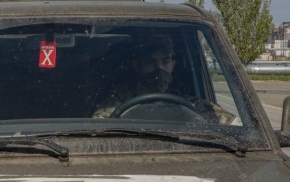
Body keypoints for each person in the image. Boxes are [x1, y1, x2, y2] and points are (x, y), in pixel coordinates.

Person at [93, 34, 237, 124]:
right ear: (137, 65)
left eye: (165, 61)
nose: (159, 69)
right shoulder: (117, 101)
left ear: (173, 65)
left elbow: (232, 125)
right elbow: (99, 129)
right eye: (150, 62)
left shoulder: (189, 103)